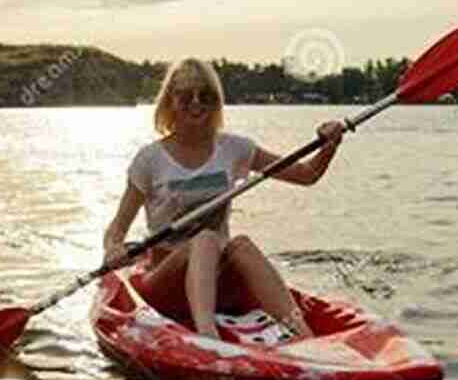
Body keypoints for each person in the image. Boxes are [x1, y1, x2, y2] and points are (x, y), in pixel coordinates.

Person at [102, 58, 343, 340]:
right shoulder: (150, 160)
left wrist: (329, 145)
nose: (196, 103)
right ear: (170, 101)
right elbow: (117, 229)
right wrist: (113, 248)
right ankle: (208, 336)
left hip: (216, 281)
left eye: (205, 95)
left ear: (216, 101)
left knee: (240, 244)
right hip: (165, 283)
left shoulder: (235, 148)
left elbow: (306, 174)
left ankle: (305, 335)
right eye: (186, 96)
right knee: (205, 239)